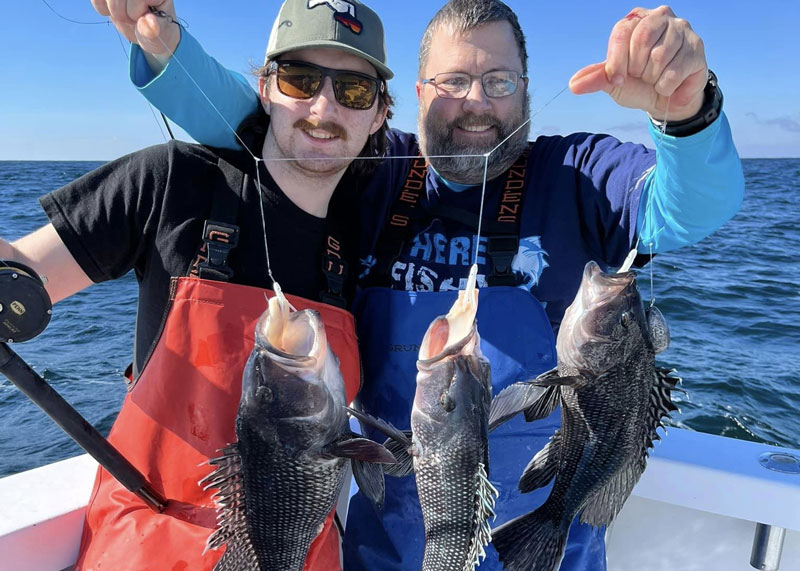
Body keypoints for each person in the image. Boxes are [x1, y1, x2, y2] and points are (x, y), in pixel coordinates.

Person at [93, 0, 744, 569]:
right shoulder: (373, 177)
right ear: (419, 92)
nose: (478, 102)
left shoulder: (574, 173)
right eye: (455, 80)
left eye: (499, 80)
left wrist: (686, 110)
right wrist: (167, 47)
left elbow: (693, 205)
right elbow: (265, 129)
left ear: (525, 89)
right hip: (389, 555)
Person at [0, 0, 394, 569]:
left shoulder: (373, 234)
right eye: (299, 79)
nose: (322, 106)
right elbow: (22, 274)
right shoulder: (172, 182)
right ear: (264, 87)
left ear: (381, 113)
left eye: (353, 91)